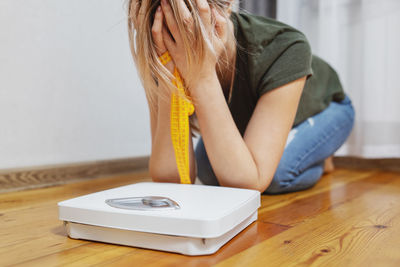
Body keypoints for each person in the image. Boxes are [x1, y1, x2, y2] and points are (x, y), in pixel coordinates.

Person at [127, 0, 355, 194]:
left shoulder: (285, 45)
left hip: (328, 109)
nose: (178, 51)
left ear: (226, 5)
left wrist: (201, 76)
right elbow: (172, 180)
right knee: (210, 171)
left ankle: (321, 157)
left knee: (274, 175)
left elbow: (247, 185)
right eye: (166, 36)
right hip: (246, 121)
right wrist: (169, 78)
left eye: (188, 33)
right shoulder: (163, 50)